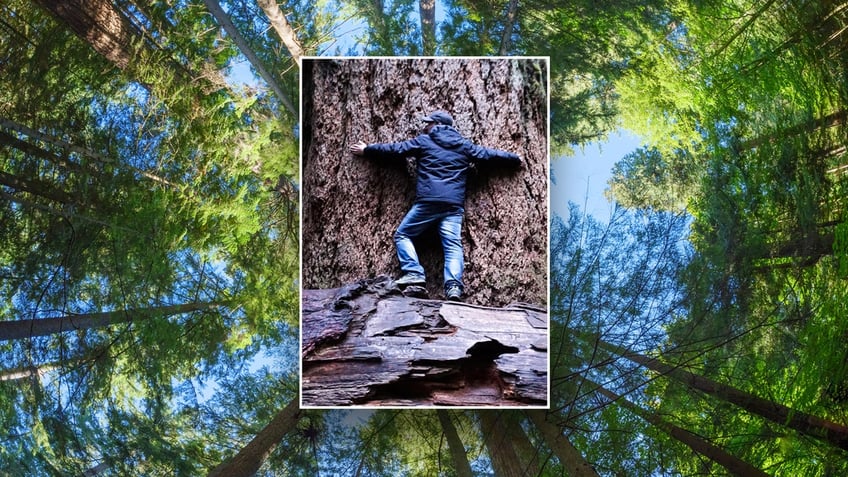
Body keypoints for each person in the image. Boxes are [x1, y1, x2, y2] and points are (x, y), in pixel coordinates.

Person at [350, 110, 521, 301]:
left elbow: (396, 150)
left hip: (428, 202)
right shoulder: (464, 146)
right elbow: (488, 155)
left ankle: (414, 273)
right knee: (452, 245)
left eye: (428, 123)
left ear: (437, 125)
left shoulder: (424, 141)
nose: (425, 126)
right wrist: (514, 159)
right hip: (453, 205)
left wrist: (368, 149)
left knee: (403, 235)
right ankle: (454, 287)